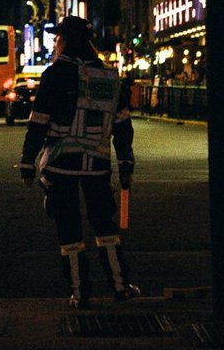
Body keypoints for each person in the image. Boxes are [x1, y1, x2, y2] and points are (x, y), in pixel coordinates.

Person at [18, 16, 137, 307]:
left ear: (66, 41)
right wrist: (125, 162)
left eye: (58, 39)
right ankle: (120, 287)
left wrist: (27, 161)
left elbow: (39, 122)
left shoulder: (55, 74)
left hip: (61, 164)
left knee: (69, 229)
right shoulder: (110, 77)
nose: (55, 44)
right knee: (104, 226)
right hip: (97, 164)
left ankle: (79, 292)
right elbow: (122, 125)